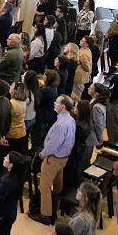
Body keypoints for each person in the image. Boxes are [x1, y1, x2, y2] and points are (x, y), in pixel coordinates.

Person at [30, 96, 75, 226]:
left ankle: (45, 215)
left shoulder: (61, 125)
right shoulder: (70, 119)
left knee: (45, 186)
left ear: (63, 107)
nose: (54, 103)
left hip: (54, 158)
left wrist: (44, 153)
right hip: (63, 157)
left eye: (57, 102)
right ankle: (55, 208)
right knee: (57, 185)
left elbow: (53, 144)